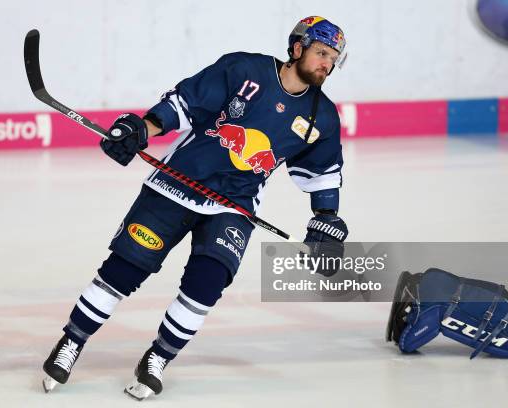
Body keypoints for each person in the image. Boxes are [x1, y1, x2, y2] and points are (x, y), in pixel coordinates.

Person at [42, 16, 349, 400]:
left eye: (333, 58)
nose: (327, 64)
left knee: (205, 287)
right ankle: (72, 342)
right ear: (298, 48)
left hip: (233, 207)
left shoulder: (322, 116)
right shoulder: (244, 69)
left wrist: (326, 218)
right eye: (321, 53)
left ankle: (157, 358)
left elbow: (320, 172)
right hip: (175, 185)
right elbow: (184, 104)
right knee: (123, 271)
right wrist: (142, 130)